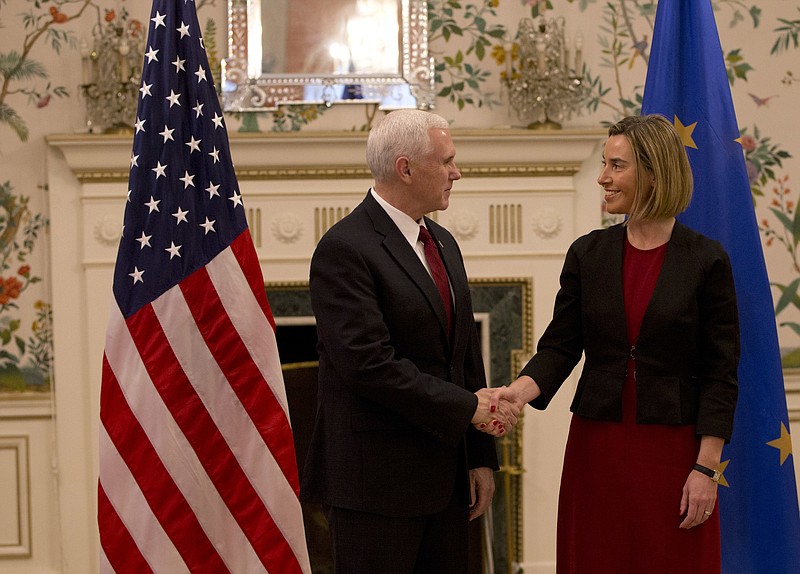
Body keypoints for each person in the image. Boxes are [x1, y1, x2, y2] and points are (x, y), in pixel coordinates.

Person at [488, 114, 739, 573]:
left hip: (674, 453)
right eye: (605, 164)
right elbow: (560, 347)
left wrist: (707, 469)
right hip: (597, 451)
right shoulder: (588, 253)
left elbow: (720, 374)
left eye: (616, 165)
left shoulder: (707, 261)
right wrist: (516, 395)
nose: (602, 177)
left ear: (653, 172)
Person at [303, 109, 518, 573]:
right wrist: (469, 408)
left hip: (446, 481)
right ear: (405, 168)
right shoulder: (345, 249)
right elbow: (369, 365)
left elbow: (464, 358)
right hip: (374, 487)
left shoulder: (441, 241)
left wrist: (480, 458)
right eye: (446, 161)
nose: (456, 172)